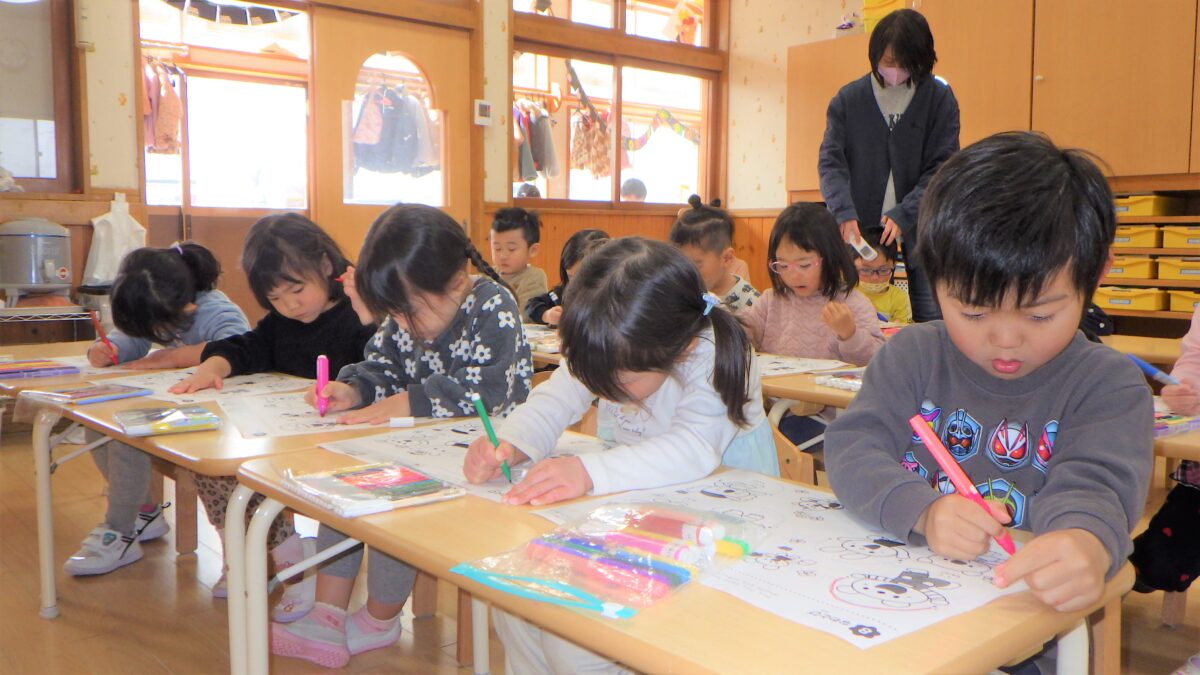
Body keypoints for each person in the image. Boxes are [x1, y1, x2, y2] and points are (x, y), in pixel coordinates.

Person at [825, 132, 1153, 674]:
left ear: (1095, 274)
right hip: (887, 620)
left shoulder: (1106, 385)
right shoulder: (912, 356)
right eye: (974, 313)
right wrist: (923, 510)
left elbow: (1095, 487)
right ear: (936, 279)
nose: (1005, 340)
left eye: (1039, 314)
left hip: (1020, 641)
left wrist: (1084, 543)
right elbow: (853, 447)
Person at [463, 237, 775, 673]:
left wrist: (587, 471)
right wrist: (514, 441)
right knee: (519, 608)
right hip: (642, 515)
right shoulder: (614, 340)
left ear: (680, 348)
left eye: (617, 381)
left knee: (575, 641)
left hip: (723, 533)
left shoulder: (712, 352)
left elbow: (693, 449)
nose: (603, 389)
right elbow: (557, 397)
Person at [270, 204, 533, 668]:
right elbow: (383, 365)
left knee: (397, 502)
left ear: (456, 283)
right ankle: (328, 613)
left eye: (408, 312)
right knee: (347, 488)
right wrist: (355, 388)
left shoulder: (493, 304)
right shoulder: (408, 312)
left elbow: (490, 391)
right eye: (394, 313)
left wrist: (409, 401)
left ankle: (379, 619)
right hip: (418, 452)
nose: (402, 324)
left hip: (486, 464)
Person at [167, 214, 376, 618]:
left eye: (297, 290)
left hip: (343, 444)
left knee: (266, 480)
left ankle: (296, 567)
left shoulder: (359, 315)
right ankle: (276, 555)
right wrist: (213, 367)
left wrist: (366, 325)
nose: (290, 305)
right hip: (286, 436)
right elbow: (246, 346)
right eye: (276, 298)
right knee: (211, 467)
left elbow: (382, 365)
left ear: (326, 265)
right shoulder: (282, 323)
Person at [65, 243, 249, 576]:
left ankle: (119, 530)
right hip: (182, 406)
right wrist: (108, 349)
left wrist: (173, 357)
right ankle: (144, 512)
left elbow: (239, 346)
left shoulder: (215, 311)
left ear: (187, 306)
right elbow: (134, 338)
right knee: (99, 423)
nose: (156, 335)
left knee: (126, 434)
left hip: (224, 418)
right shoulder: (161, 306)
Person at [818, 8, 960, 322]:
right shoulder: (849, 99)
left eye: (905, 64)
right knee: (853, 314)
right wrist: (843, 211)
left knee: (930, 313)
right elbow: (831, 162)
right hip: (859, 229)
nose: (894, 71)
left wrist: (906, 212)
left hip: (921, 224)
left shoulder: (938, 98)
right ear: (875, 56)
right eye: (888, 62)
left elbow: (943, 167)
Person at [738, 203, 885, 446]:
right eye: (782, 265)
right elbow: (744, 332)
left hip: (825, 419)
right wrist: (725, 324)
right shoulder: (771, 300)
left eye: (804, 265)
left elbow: (877, 361)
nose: (792, 275)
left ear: (830, 258)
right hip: (771, 409)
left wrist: (850, 334)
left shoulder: (851, 303)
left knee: (770, 437)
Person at [670, 194, 759, 312]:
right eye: (681, 263)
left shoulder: (752, 304)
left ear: (726, 258)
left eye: (696, 264)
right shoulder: (682, 290)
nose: (687, 273)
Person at [525, 228, 609, 326]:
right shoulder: (563, 292)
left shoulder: (615, 300)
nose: (574, 284)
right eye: (570, 276)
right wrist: (547, 315)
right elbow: (532, 304)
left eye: (580, 277)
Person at [490, 206, 548, 322]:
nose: (503, 256)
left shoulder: (534, 277)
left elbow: (523, 314)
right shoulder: (488, 275)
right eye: (497, 248)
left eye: (511, 249)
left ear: (533, 250)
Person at [854, 229, 912, 324]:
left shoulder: (900, 298)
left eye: (883, 270)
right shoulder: (846, 293)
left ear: (894, 265)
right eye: (865, 270)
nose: (874, 278)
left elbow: (904, 330)